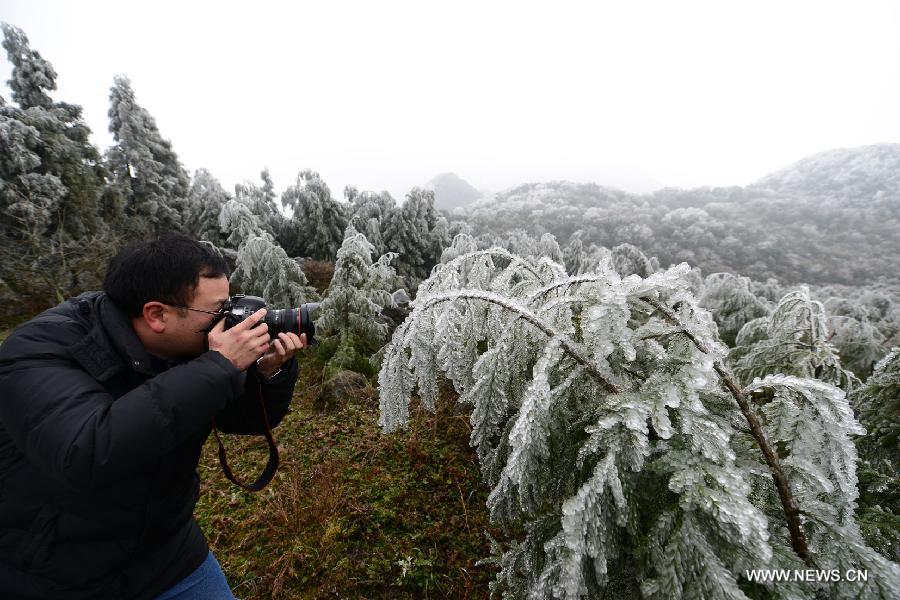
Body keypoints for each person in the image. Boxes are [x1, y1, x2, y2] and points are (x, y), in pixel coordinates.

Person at [0, 233, 306, 599]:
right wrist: (217, 368)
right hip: (56, 570)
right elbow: (88, 451)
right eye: (217, 311)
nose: (227, 322)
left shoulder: (191, 344)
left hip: (167, 551)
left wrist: (265, 374)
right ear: (156, 314)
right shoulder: (38, 352)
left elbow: (240, 420)